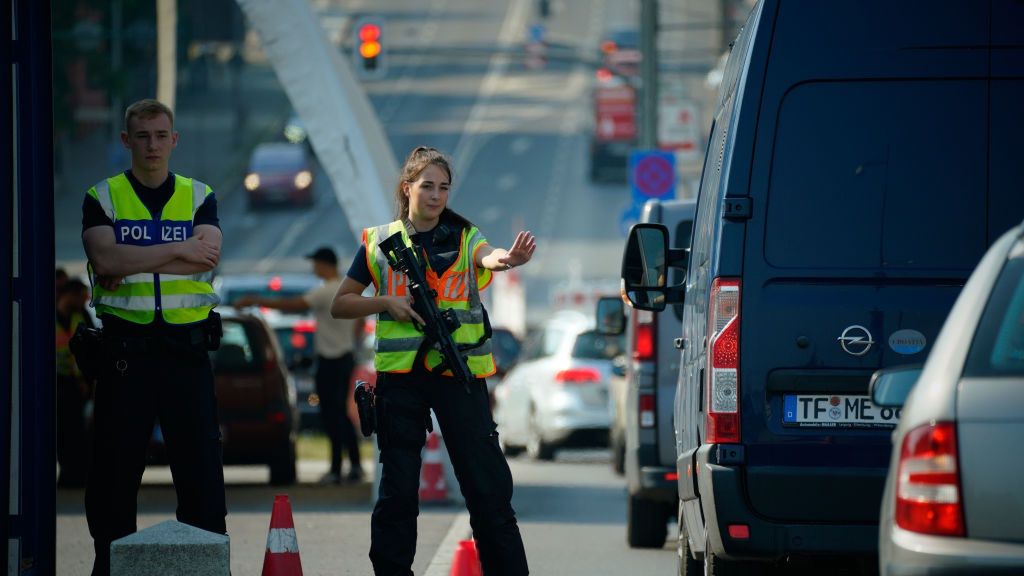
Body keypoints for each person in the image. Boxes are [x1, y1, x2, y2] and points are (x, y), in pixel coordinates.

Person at [331, 146, 535, 576]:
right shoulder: (378, 242)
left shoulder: (464, 235)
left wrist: (508, 260)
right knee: (398, 492)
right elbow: (342, 303)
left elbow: (489, 256)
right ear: (407, 189)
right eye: (428, 186)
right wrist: (388, 302)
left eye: (444, 187)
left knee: (488, 490)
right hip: (401, 381)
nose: (437, 195)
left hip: (458, 375)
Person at [80, 98, 226, 576]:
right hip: (126, 357)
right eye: (142, 136)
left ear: (174, 140)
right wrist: (180, 248)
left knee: (202, 477)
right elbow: (106, 262)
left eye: (161, 135)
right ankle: (110, 567)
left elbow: (206, 258)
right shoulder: (101, 197)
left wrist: (133, 255)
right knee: (114, 480)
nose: (152, 145)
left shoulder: (200, 194)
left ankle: (203, 567)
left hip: (187, 355)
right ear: (127, 141)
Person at [234, 246, 366, 484]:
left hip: (331, 360)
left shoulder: (327, 290)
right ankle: (354, 465)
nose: (313, 268)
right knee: (340, 414)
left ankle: (337, 469)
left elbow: (293, 305)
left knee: (330, 414)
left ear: (325, 264)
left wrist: (254, 300)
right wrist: (351, 343)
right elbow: (360, 322)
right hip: (345, 356)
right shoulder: (347, 290)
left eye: (315, 263)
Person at [55, 278, 94, 487]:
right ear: (69, 294)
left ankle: (74, 474)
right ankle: (68, 473)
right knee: (61, 432)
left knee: (77, 432)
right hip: (54, 383)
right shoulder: (48, 314)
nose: (84, 301)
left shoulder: (81, 316)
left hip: (75, 384)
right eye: (81, 297)